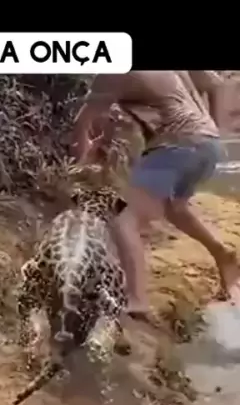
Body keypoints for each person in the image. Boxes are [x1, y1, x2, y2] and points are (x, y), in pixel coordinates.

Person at [71, 71, 240, 319]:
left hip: (176, 144)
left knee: (125, 220)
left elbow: (83, 125)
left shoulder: (111, 73)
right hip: (207, 142)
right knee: (176, 209)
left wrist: (79, 166)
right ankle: (223, 254)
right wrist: (216, 128)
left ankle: (137, 300)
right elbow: (215, 83)